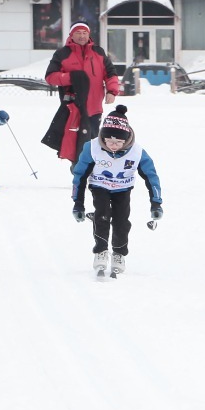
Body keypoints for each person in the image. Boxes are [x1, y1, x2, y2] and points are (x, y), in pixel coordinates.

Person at [70, 105, 163, 280]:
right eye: (108, 141)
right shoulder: (92, 148)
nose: (112, 146)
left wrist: (156, 203)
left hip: (123, 189)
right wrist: (78, 204)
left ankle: (119, 253)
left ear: (126, 139)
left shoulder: (137, 153)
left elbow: (151, 177)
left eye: (118, 142)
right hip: (100, 186)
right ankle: (101, 251)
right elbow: (80, 176)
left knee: (121, 220)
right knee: (102, 215)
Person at [43, 22, 121, 165]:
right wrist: (70, 77)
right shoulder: (62, 53)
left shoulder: (98, 52)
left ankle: (90, 170)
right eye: (78, 32)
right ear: (71, 35)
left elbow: (111, 73)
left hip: (94, 107)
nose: (82, 36)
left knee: (92, 141)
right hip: (73, 107)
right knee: (75, 142)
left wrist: (112, 91)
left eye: (85, 33)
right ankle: (78, 171)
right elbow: (50, 77)